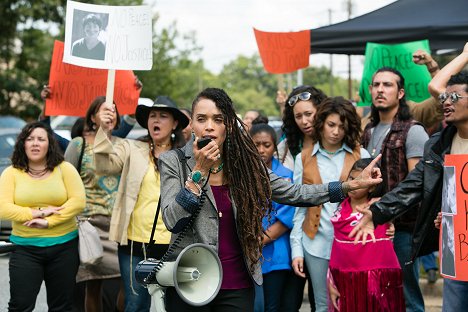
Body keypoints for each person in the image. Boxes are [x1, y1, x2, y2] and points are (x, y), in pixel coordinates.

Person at [158, 87, 383, 311]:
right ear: (192, 126)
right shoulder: (173, 162)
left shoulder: (245, 164)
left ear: (228, 125)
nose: (209, 126)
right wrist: (198, 172)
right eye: (201, 119)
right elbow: (172, 220)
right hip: (190, 282)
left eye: (218, 119)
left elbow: (297, 193)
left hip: (236, 284)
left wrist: (348, 186)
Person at [350, 43, 468, 312]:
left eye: (454, 98)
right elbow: (417, 184)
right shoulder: (441, 145)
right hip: (456, 249)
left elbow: (435, 87)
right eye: (445, 98)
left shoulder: (413, 130)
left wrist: (464, 56)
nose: (445, 102)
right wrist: (377, 211)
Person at [93, 96, 189, 312]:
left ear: (175, 124)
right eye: (152, 116)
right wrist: (104, 130)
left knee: (172, 305)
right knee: (136, 304)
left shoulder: (185, 156)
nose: (156, 120)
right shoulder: (132, 148)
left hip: (174, 243)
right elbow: (102, 165)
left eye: (163, 116)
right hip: (135, 242)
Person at [290, 97, 370, 312]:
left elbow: (370, 200)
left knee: (355, 301)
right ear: (321, 124)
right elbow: (299, 207)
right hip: (315, 243)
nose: (336, 132)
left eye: (341, 127)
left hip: (353, 242)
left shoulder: (361, 155)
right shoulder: (303, 159)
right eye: (331, 125)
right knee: (323, 305)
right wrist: (296, 250)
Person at [361, 66, 429, 312]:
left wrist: (387, 214)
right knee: (379, 295)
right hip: (373, 225)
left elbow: (416, 185)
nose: (380, 90)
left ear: (400, 93)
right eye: (376, 85)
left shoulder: (414, 130)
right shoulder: (368, 130)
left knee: (407, 297)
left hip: (402, 229)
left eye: (387, 85)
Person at [0, 122, 86, 311]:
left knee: (62, 306)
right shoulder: (11, 173)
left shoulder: (65, 169)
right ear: (23, 144)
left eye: (41, 139)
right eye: (30, 139)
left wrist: (49, 221)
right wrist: (36, 212)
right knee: (20, 305)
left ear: (50, 144)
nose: (35, 143)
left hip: (64, 248)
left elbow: (78, 201)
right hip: (24, 248)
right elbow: (3, 208)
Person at [64, 96, 124, 312]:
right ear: (92, 116)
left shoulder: (124, 146)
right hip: (90, 225)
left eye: (114, 110)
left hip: (120, 226)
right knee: (93, 286)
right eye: (104, 110)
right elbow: (66, 182)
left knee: (128, 283)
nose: (110, 114)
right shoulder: (78, 144)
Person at [328, 158, 404, 312]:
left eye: (362, 180)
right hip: (344, 280)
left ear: (371, 187)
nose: (355, 183)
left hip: (376, 281)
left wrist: (389, 222)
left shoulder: (378, 208)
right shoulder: (339, 211)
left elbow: (395, 207)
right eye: (352, 178)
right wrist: (331, 280)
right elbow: (336, 249)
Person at [250, 123, 303, 312]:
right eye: (256, 144)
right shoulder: (242, 176)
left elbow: (286, 218)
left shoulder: (286, 176)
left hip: (276, 253)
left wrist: (257, 242)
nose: (262, 150)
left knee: (272, 306)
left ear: (275, 146)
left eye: (267, 145)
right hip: (250, 254)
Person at [278, 85, 327, 170]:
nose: (304, 121)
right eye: (298, 116)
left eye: (308, 114)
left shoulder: (336, 140)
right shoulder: (286, 146)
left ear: (321, 111)